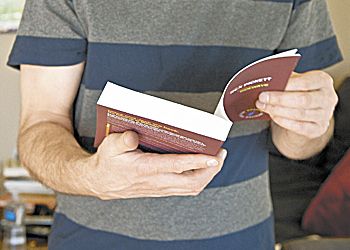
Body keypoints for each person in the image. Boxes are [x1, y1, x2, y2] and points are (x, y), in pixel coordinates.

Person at [7, 0, 342, 249]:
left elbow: (300, 144)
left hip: (243, 238)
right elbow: (41, 124)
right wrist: (92, 177)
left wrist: (311, 120)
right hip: (93, 241)